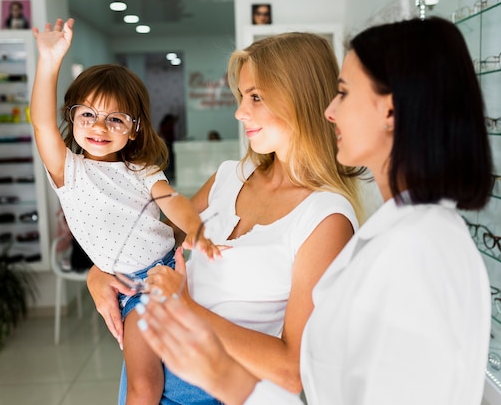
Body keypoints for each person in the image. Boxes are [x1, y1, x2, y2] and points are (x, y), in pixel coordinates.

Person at [137, 17, 494, 405]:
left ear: (390, 112)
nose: (329, 111)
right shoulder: (401, 237)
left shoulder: (415, 250)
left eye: (343, 92)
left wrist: (220, 371)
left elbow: (303, 372)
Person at [86, 31, 366, 405]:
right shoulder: (227, 177)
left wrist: (187, 307)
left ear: (298, 98)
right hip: (150, 370)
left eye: (255, 97)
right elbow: (148, 243)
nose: (239, 111)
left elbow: (291, 369)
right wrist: (98, 272)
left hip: (215, 390)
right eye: (242, 96)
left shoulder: (325, 217)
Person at [30, 18, 219, 405]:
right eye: (88, 114)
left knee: (187, 376)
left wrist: (195, 232)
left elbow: (173, 201)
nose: (99, 126)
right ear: (72, 117)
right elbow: (40, 125)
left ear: (133, 129)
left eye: (114, 118)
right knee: (145, 387)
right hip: (134, 287)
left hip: (169, 266)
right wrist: (48, 61)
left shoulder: (142, 169)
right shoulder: (69, 171)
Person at [157, 114, 177, 181]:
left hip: (167, 143)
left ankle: (169, 175)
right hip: (168, 143)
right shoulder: (168, 126)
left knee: (168, 160)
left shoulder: (163, 125)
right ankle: (169, 175)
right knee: (170, 160)